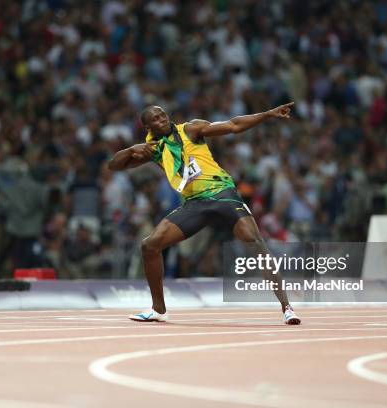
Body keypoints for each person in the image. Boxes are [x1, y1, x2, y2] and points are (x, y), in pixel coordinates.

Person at [108, 103, 301, 324]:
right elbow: (115, 166)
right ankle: (158, 309)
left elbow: (233, 125)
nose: (162, 119)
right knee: (150, 245)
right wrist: (131, 150)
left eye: (163, 115)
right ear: (147, 126)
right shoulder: (153, 149)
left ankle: (287, 308)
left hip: (223, 195)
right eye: (156, 118)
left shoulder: (191, 129)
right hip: (195, 203)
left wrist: (267, 114)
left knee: (257, 243)